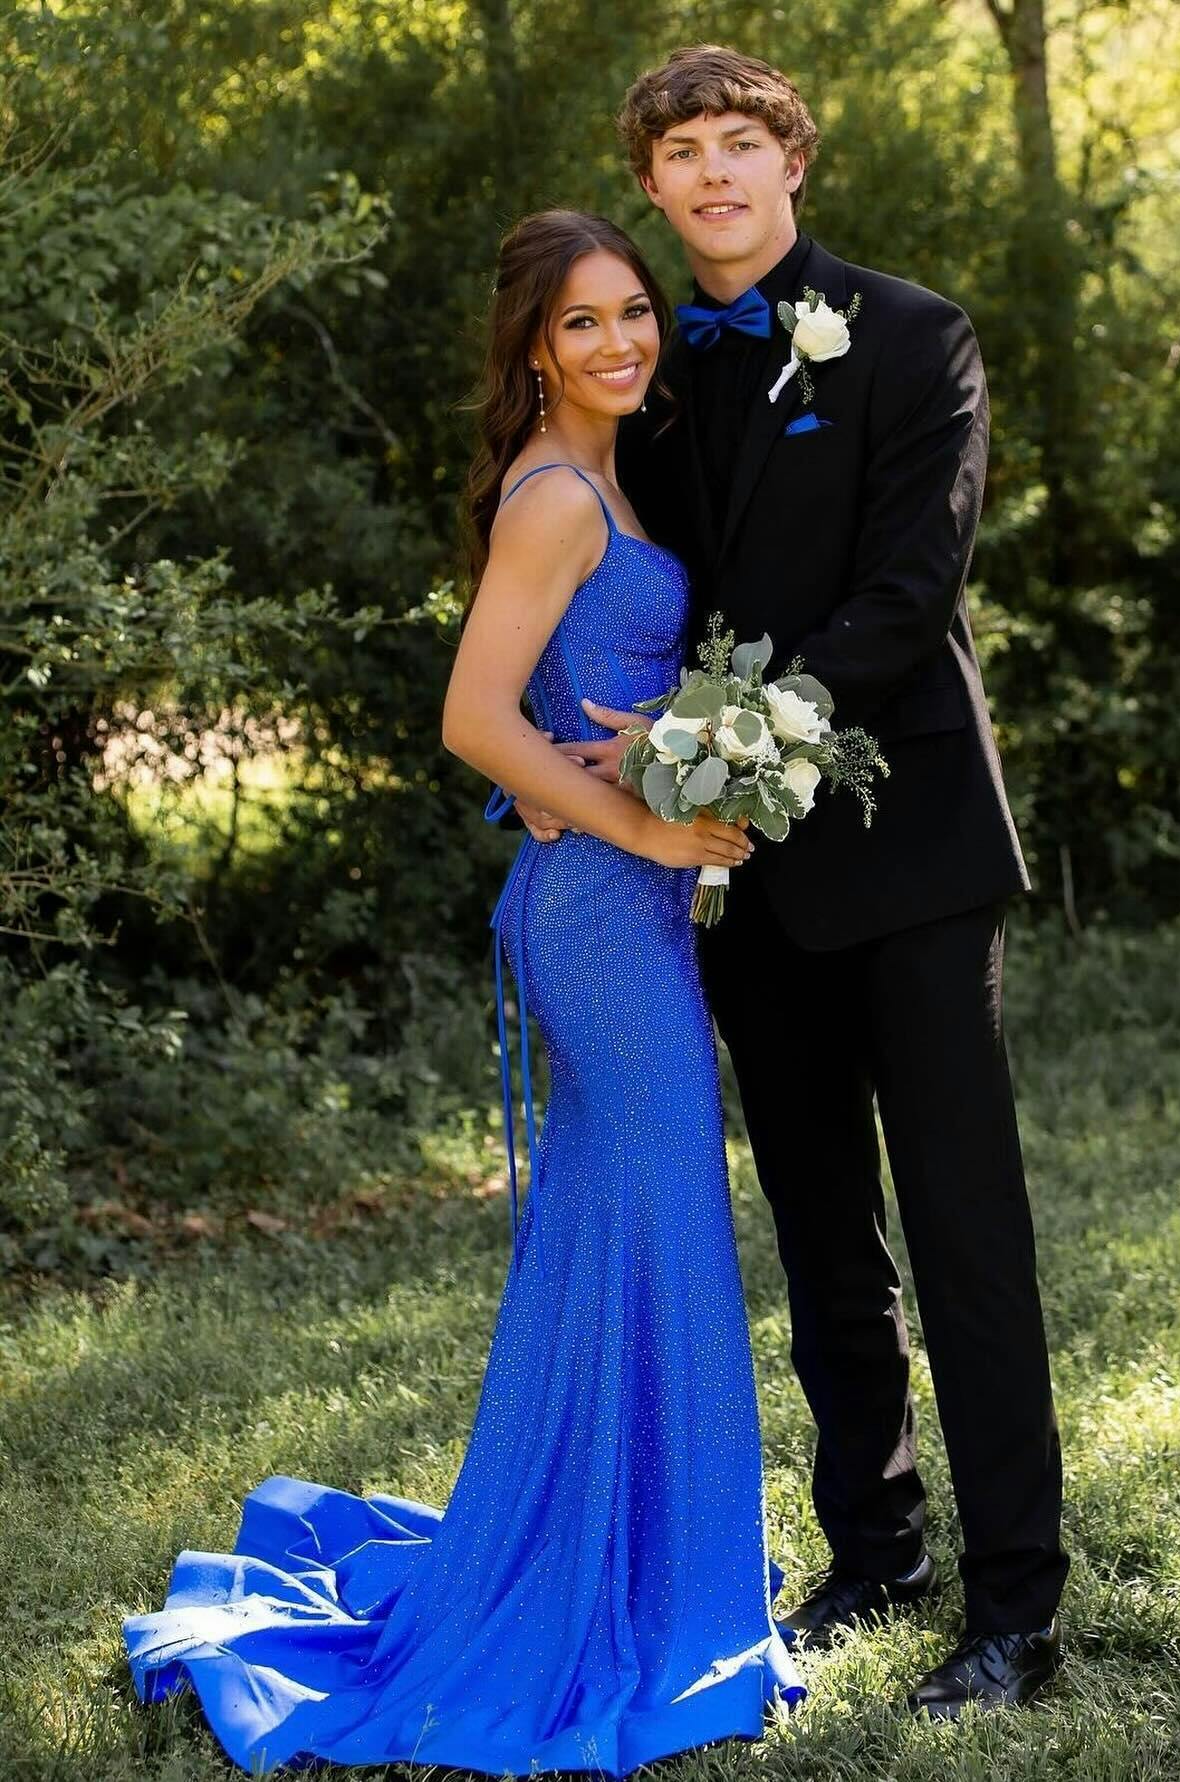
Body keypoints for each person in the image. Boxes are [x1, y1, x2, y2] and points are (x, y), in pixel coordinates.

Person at [119, 209, 802, 1777]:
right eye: (583, 323)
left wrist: (667, 764)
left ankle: (636, 1561)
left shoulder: (612, 474)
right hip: (597, 918)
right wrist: (648, 823)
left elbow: (567, 710)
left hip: (631, 910)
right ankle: (622, 1591)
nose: (620, 341)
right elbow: (473, 714)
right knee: (658, 1215)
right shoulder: (556, 498)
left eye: (634, 312)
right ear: (534, 350)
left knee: (632, 1223)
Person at [518, 46, 1070, 1714]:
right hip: (737, 871)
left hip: (911, 853)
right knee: (826, 1231)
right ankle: (875, 1545)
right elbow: (589, 574)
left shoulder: (912, 334)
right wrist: (553, 763)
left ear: (792, 162)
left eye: (737, 141)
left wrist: (711, 738)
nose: (710, 172)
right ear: (653, 184)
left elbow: (911, 591)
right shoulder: (647, 371)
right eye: (679, 150)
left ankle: (1017, 1608)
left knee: (965, 1230)